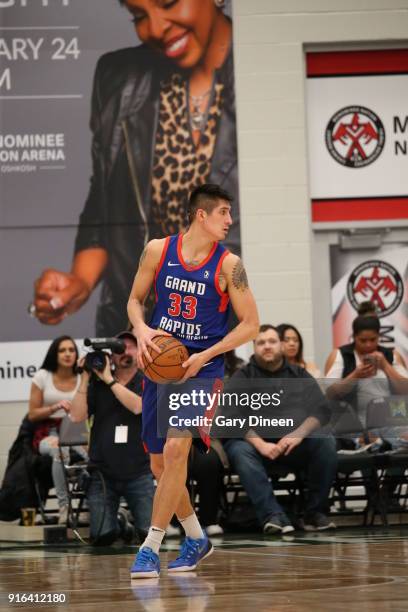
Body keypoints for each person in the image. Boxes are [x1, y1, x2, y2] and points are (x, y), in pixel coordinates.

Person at [31, 0, 239, 336]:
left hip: (225, 329)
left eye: (169, 3)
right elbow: (104, 200)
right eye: (139, 16)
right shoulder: (119, 78)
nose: (156, 29)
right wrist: (80, 281)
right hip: (143, 333)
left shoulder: (262, 70)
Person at [127, 183, 259, 578]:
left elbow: (251, 325)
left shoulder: (229, 265)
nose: (230, 221)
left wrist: (206, 353)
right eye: (223, 213)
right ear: (201, 215)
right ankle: (196, 537)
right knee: (157, 464)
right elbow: (134, 300)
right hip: (160, 365)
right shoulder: (157, 250)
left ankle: (150, 547)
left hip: (201, 370)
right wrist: (141, 330)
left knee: (175, 452)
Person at [223, 325, 337, 533]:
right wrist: (260, 444)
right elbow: (229, 417)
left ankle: (315, 513)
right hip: (255, 446)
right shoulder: (242, 377)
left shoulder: (299, 374)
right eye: (261, 342)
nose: (267, 346)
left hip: (293, 444)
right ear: (254, 347)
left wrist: (298, 435)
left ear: (282, 346)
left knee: (325, 442)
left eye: (272, 342)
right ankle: (273, 516)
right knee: (239, 450)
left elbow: (322, 411)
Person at [69, 331, 154, 545]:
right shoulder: (97, 385)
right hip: (102, 472)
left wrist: (108, 380)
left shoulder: (148, 381)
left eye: (131, 347)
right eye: (119, 348)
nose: (125, 352)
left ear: (140, 351)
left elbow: (138, 407)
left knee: (150, 534)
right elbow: (77, 415)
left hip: (139, 470)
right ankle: (121, 524)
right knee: (101, 536)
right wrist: (85, 378)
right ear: (111, 357)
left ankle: (128, 524)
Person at [28, 336, 86, 524]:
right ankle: (64, 508)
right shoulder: (42, 376)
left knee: (94, 457)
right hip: (49, 432)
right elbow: (32, 414)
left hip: (77, 431)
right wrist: (55, 407)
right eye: (62, 350)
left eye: (71, 350)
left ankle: (94, 506)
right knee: (59, 450)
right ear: (55, 353)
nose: (68, 354)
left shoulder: (82, 378)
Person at [325, 315, 408, 445]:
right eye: (362, 340)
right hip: (352, 427)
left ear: (379, 336)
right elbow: (330, 393)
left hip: (389, 424)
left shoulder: (391, 355)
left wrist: (386, 366)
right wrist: (355, 375)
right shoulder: (341, 355)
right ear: (354, 337)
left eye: (373, 340)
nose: (368, 344)